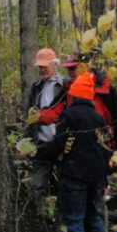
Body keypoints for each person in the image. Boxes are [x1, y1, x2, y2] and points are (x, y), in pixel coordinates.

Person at [35, 72, 111, 232]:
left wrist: (37, 152)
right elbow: (106, 150)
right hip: (96, 178)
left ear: (75, 95)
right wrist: (104, 179)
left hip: (74, 176)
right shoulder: (97, 117)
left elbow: (58, 144)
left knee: (75, 222)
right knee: (94, 219)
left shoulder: (69, 116)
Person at [35, 52, 117, 159]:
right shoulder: (68, 89)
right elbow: (55, 111)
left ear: (85, 67)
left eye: (73, 68)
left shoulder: (105, 89)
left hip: (102, 147)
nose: (70, 73)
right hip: (76, 149)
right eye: (68, 69)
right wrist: (38, 117)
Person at [24, 48, 71, 208]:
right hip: (41, 145)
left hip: (62, 145)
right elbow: (30, 117)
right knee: (37, 186)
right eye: (40, 66)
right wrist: (28, 141)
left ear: (54, 64)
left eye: (45, 66)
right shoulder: (36, 87)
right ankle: (39, 220)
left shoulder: (66, 85)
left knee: (65, 188)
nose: (42, 69)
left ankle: (61, 225)